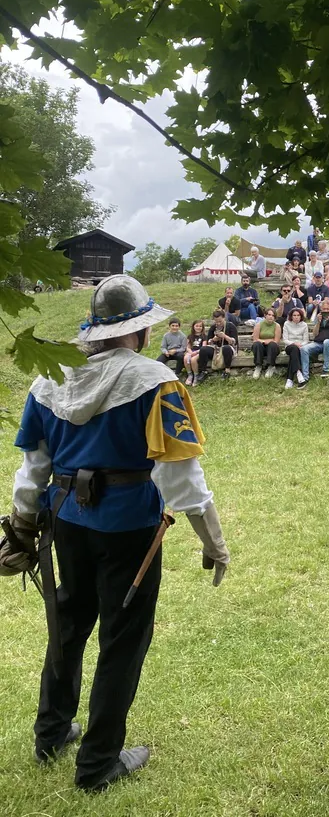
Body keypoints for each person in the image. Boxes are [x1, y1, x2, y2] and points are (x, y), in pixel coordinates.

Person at [0, 274, 229, 792]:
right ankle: (98, 762)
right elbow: (181, 480)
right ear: (142, 331)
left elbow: (32, 469)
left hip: (65, 524)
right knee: (121, 642)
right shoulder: (156, 382)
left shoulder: (49, 379)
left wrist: (22, 523)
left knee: (69, 623)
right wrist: (214, 541)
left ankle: (52, 733)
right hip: (129, 529)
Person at [299, 298, 329, 384]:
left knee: (327, 342)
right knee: (304, 349)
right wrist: (318, 322)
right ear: (321, 309)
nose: (326, 311)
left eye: (328, 309)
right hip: (319, 343)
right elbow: (315, 334)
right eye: (324, 309)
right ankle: (305, 376)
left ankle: (326, 370)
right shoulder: (318, 317)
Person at [198, 310, 237, 381]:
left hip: (228, 348)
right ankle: (203, 371)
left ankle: (227, 370)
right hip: (216, 349)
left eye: (220, 321)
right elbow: (209, 342)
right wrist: (213, 339)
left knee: (226, 348)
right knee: (203, 349)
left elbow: (234, 342)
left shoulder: (230, 326)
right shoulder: (213, 327)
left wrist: (225, 336)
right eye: (216, 321)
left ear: (224, 318)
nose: (218, 323)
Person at [251, 307, 281, 379]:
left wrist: (269, 341)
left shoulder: (277, 326)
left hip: (272, 348)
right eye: (269, 314)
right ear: (265, 315)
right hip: (261, 347)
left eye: (273, 315)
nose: (271, 317)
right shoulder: (259, 325)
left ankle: (271, 366)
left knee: (272, 344)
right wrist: (264, 341)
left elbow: (276, 341)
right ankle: (258, 366)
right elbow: (255, 339)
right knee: (257, 344)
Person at [282, 308, 309, 389]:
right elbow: (285, 340)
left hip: (300, 347)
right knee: (294, 348)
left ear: (301, 316)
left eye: (298, 315)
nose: (296, 317)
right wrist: (294, 344)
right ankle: (299, 373)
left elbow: (306, 340)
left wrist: (300, 345)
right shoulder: (286, 324)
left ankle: (289, 380)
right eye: (294, 315)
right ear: (291, 316)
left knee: (294, 355)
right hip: (289, 347)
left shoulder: (304, 325)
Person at [183, 319, 207, 386]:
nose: (198, 328)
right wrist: (190, 352)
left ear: (202, 328)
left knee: (193, 360)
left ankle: (196, 375)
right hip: (191, 351)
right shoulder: (190, 336)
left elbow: (204, 347)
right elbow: (188, 347)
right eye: (197, 326)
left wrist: (196, 352)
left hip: (199, 352)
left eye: (200, 326)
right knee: (185, 358)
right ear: (193, 326)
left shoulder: (204, 336)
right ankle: (190, 375)